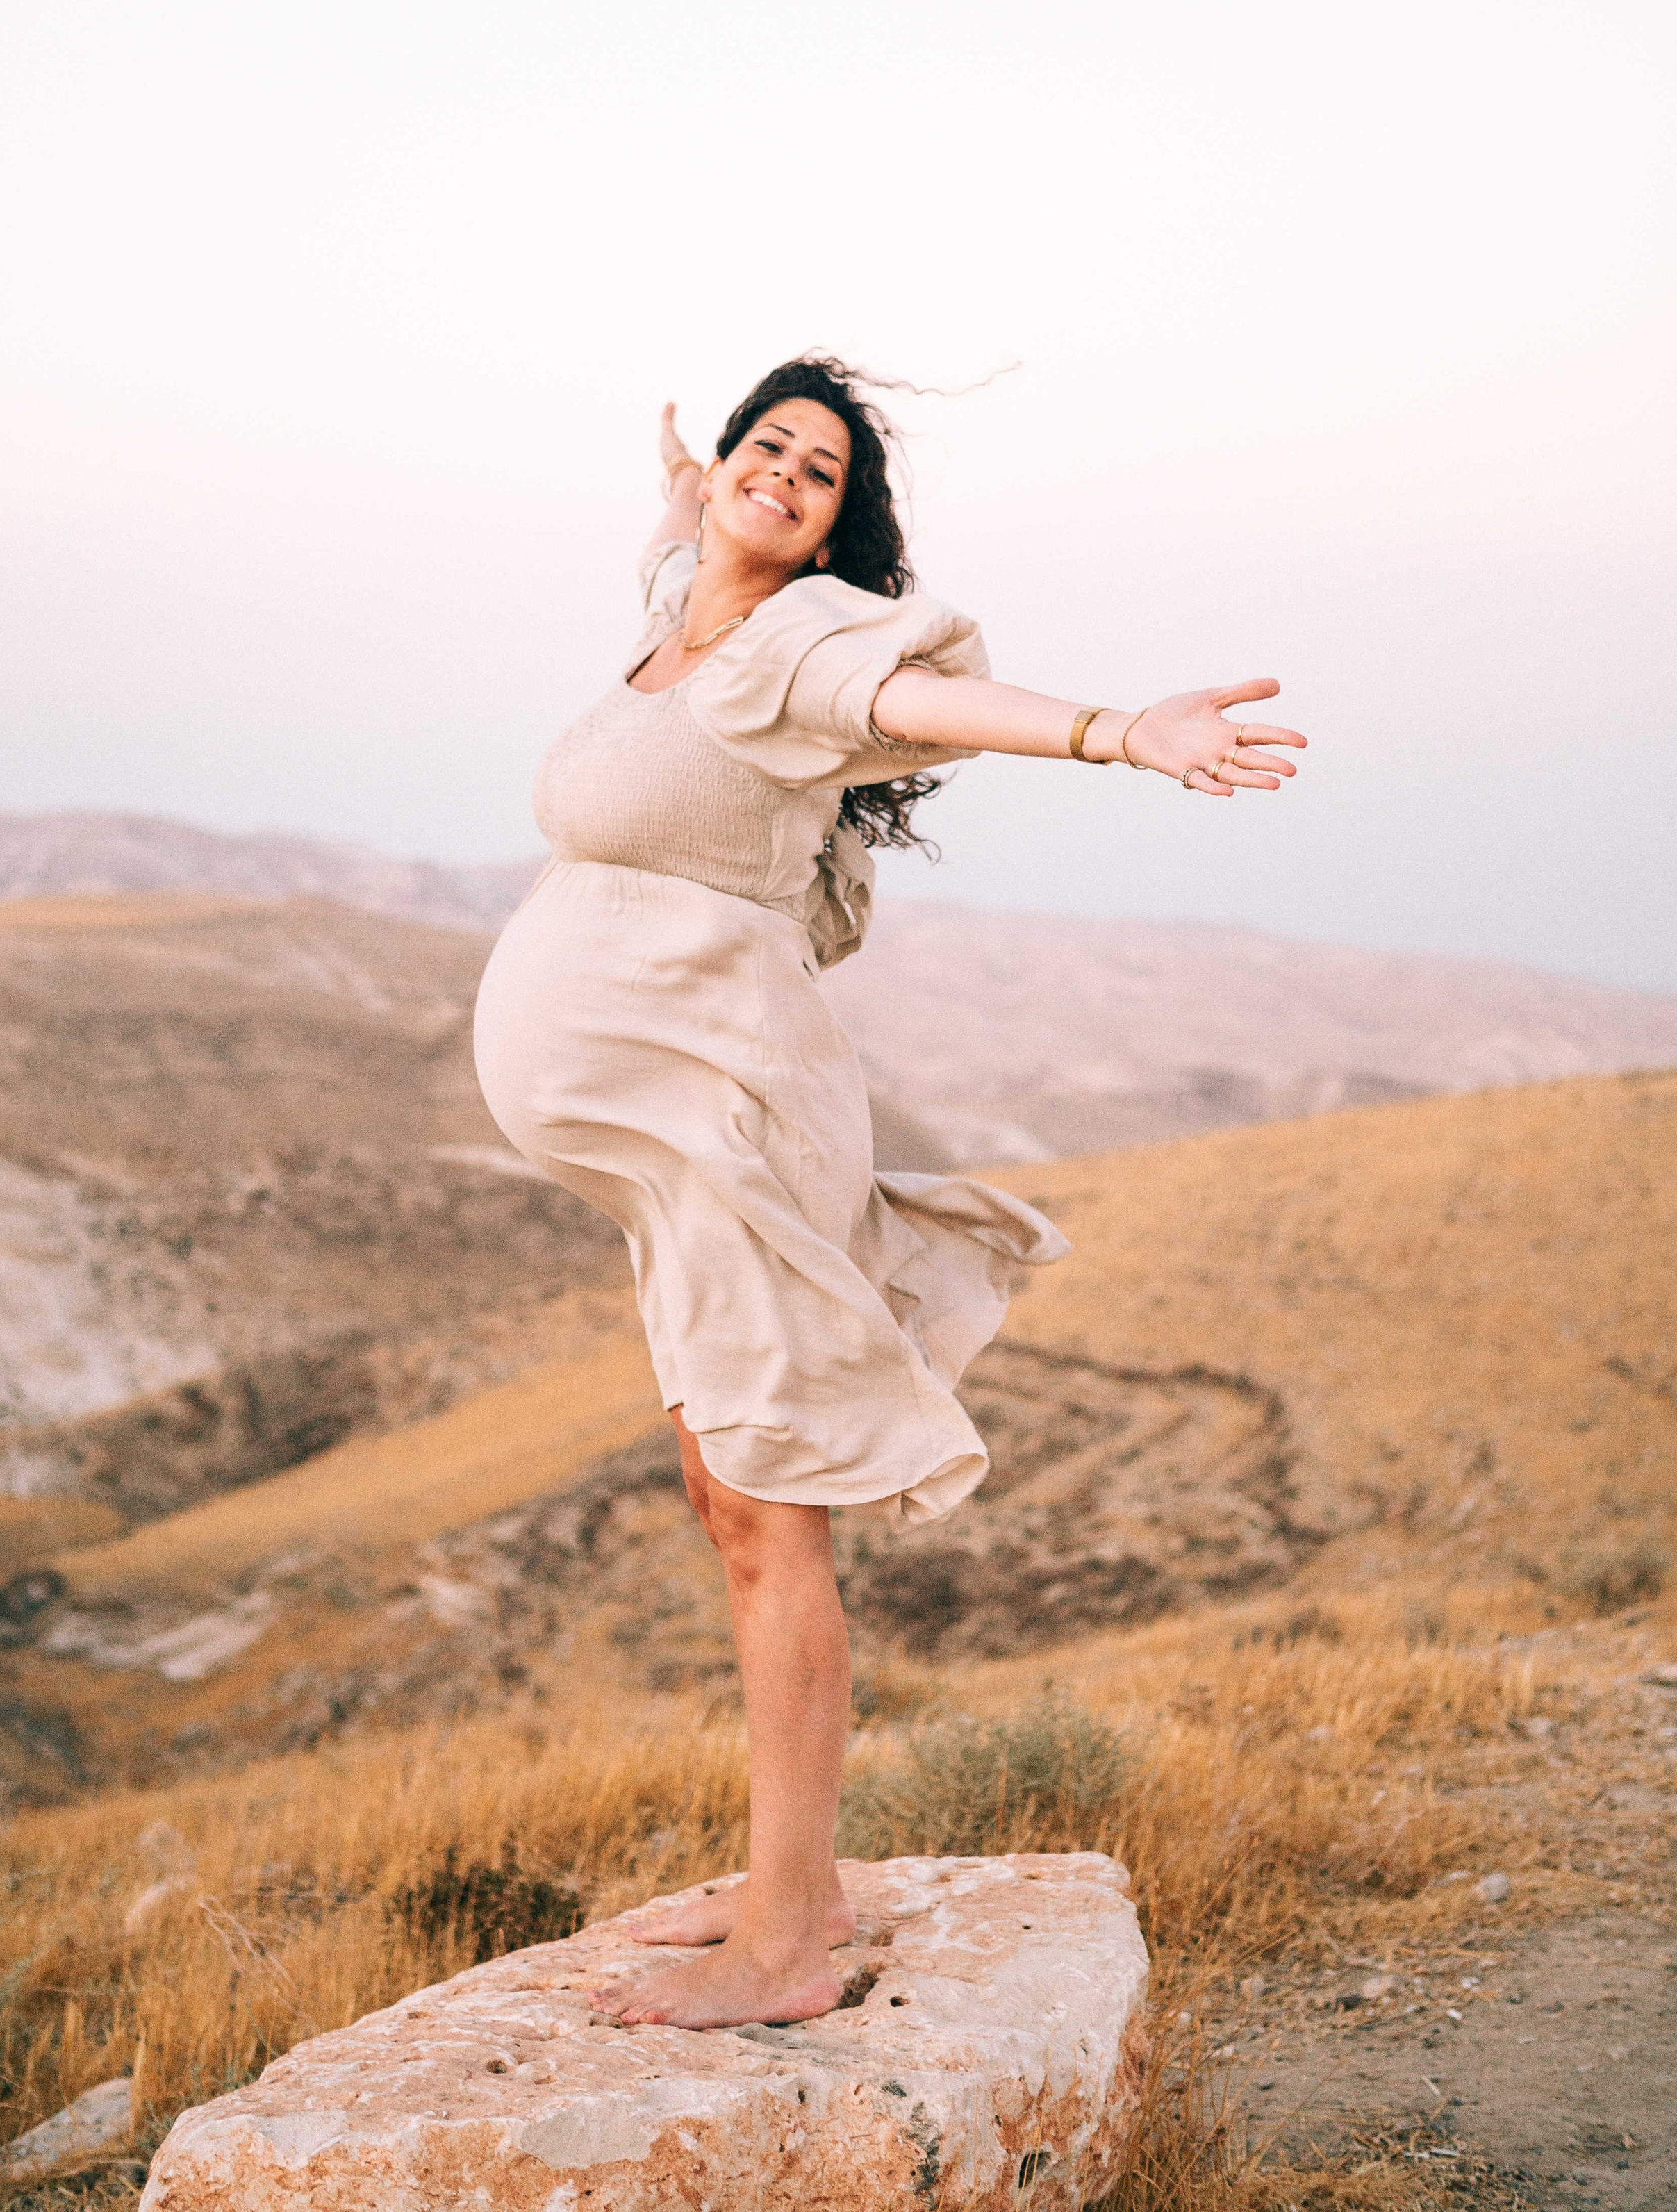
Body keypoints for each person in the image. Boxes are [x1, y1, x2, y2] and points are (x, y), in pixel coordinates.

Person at [472, 354, 1305, 2031]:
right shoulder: (685, 621)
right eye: (762, 446)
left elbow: (916, 709)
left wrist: (1115, 734)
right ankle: (803, 1876)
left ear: (844, 530)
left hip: (727, 1123)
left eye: (821, 472)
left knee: (770, 1523)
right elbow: (685, 543)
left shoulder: (802, 645)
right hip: (670, 1150)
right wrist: (686, 490)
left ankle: (786, 1945)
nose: (783, 471)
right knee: (730, 1509)